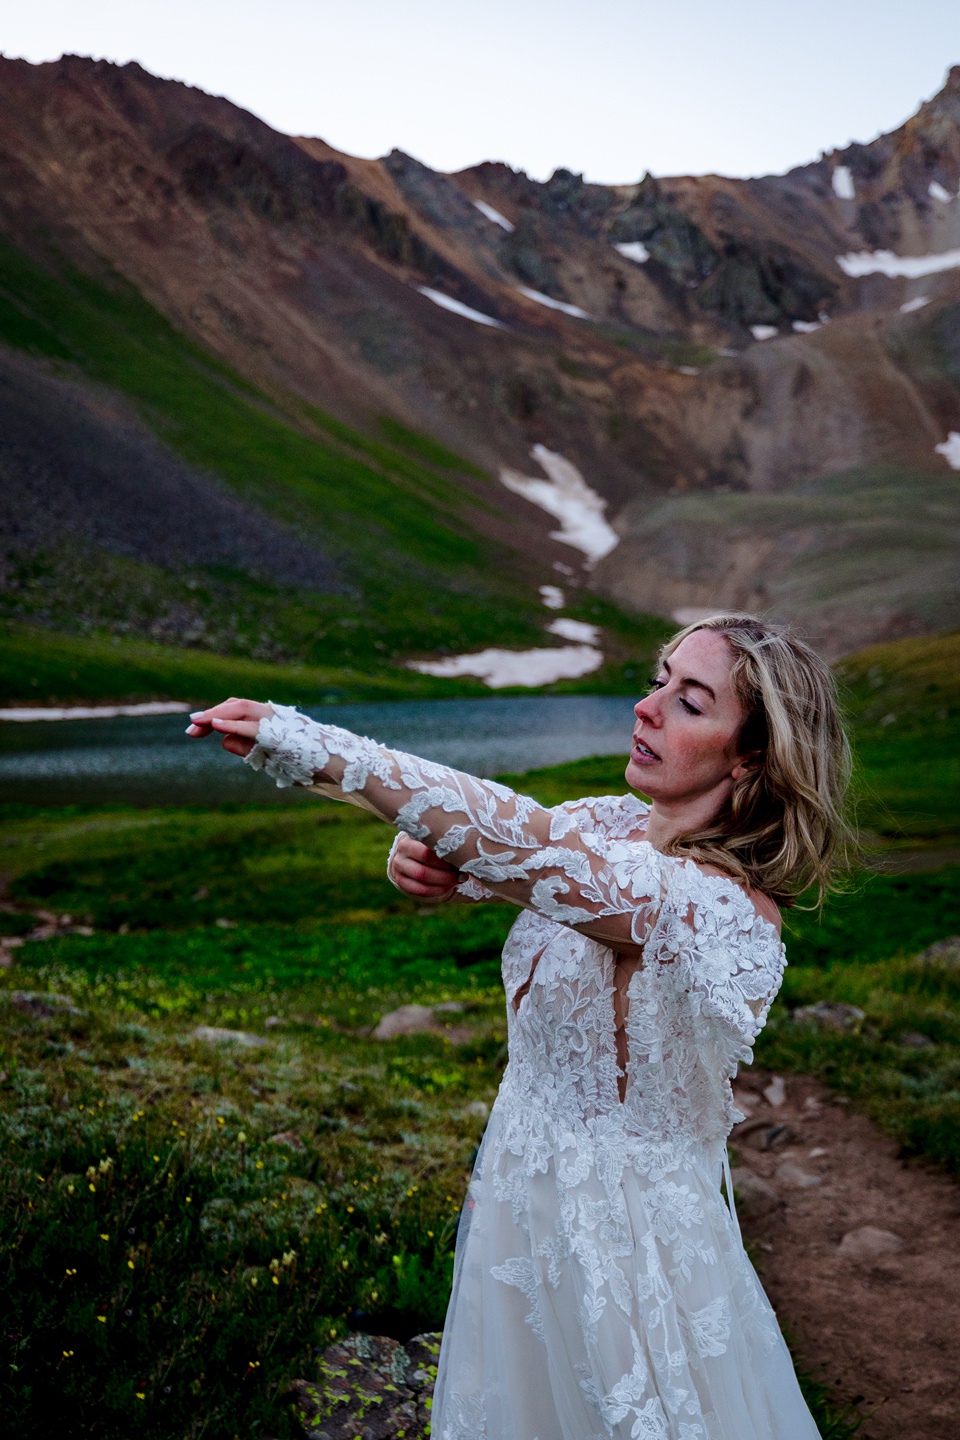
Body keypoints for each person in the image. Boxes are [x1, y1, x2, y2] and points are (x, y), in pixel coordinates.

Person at [187, 613, 852, 1440]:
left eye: (690, 702)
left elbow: (525, 847)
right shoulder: (613, 825)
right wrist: (422, 859)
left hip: (624, 1243)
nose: (646, 708)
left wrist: (312, 745)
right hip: (519, 1198)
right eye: (657, 680)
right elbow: (488, 842)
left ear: (749, 755)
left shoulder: (711, 906)